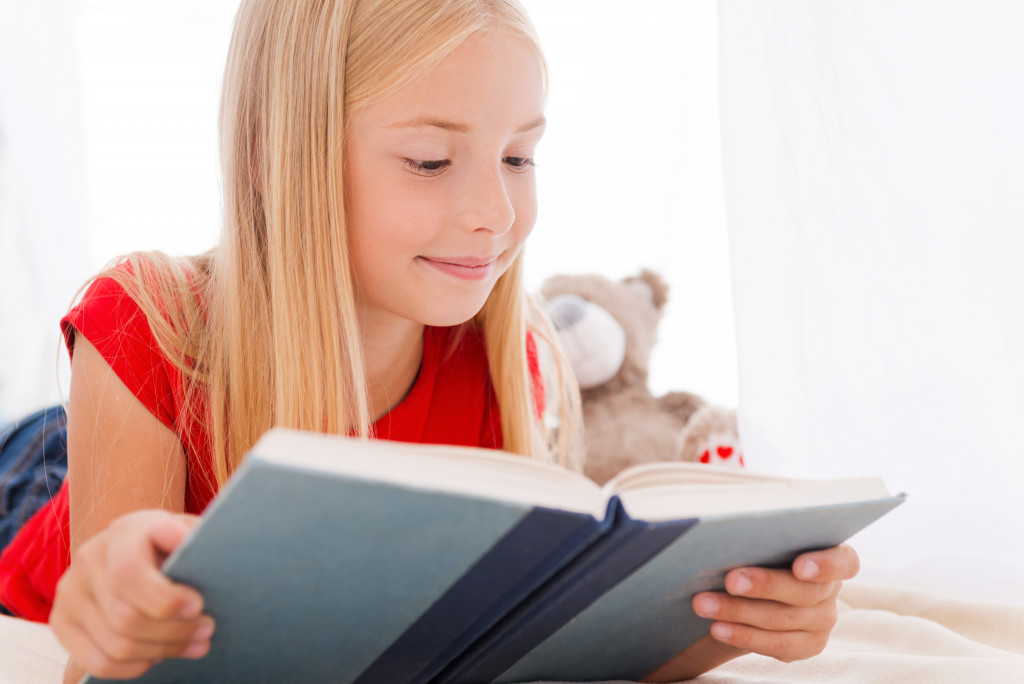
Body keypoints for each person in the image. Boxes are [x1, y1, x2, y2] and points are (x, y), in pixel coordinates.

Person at [0, 1, 860, 682]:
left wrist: (735, 619)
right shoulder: (149, 320)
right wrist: (119, 616)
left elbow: (546, 639)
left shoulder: (508, 361)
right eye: (428, 161)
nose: (496, 212)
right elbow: (95, 660)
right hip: (38, 483)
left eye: (520, 157)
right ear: (278, 155)